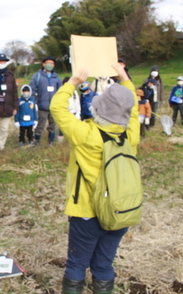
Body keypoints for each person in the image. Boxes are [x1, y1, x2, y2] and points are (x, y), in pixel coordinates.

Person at [50, 64, 139, 294]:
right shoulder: (130, 133)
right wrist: (124, 77)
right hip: (120, 211)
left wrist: (72, 83)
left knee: (77, 264)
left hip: (88, 213)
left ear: (97, 110)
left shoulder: (86, 134)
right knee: (103, 264)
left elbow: (57, 108)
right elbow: (134, 107)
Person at [29, 56, 62, 146]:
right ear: (43, 64)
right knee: (40, 125)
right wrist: (34, 102)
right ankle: (37, 142)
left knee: (52, 126)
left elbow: (61, 91)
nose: (49, 65)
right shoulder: (37, 76)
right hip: (41, 106)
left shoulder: (56, 77)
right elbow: (32, 90)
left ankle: (51, 142)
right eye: (48, 63)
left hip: (53, 107)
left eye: (52, 63)